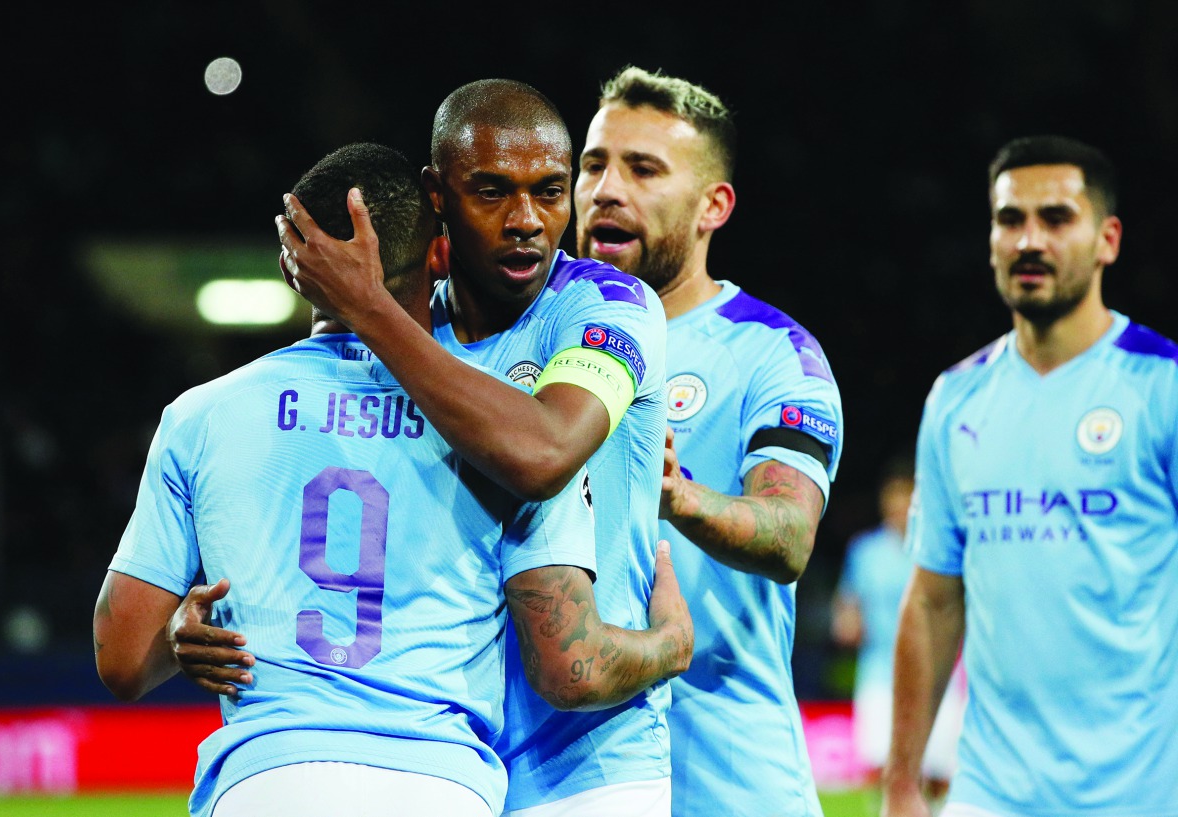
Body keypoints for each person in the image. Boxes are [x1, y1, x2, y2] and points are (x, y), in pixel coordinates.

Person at [93, 142, 691, 817]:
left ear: (297, 265)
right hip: (438, 779)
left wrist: (179, 628)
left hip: (263, 777)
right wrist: (671, 641)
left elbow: (120, 659)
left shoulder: (201, 415)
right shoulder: (497, 425)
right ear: (440, 256)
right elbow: (566, 661)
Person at [573, 65, 844, 817]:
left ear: (712, 206)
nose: (606, 189)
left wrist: (674, 494)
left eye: (643, 169)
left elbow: (789, 535)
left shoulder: (772, 352)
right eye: (594, 164)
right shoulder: (527, 341)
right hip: (567, 781)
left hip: (728, 784)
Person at [882, 135, 1178, 817]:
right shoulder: (955, 399)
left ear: (1108, 239)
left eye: (1056, 218)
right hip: (990, 794)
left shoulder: (1159, 386)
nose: (1028, 240)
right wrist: (902, 781)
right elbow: (931, 601)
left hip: (1140, 795)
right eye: (1010, 219)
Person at [831, 454, 963, 800]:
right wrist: (847, 623)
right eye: (892, 498)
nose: (897, 506)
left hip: (936, 676)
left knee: (938, 774)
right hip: (880, 673)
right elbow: (848, 607)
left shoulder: (936, 548)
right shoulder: (865, 551)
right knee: (881, 767)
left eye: (906, 498)